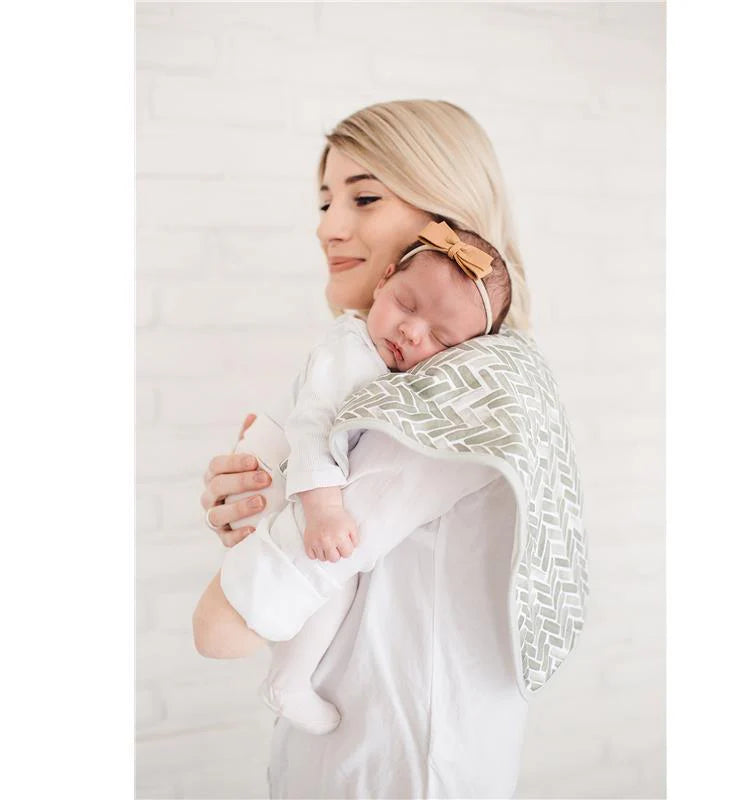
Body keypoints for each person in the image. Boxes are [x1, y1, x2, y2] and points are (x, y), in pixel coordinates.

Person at [193, 100, 588, 798]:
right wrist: (254, 505)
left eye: (364, 197)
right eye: (324, 200)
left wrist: (260, 553)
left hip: (398, 768)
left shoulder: (460, 398)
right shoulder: (394, 376)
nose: (328, 226)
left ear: (448, 215)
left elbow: (228, 626)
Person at [227, 222, 512, 737]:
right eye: (405, 304)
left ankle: (288, 670)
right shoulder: (352, 352)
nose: (412, 332)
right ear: (384, 281)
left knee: (337, 571)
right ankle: (287, 681)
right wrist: (325, 510)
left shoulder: (392, 368)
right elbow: (313, 428)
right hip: (280, 470)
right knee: (334, 571)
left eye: (441, 338)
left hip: (294, 472)